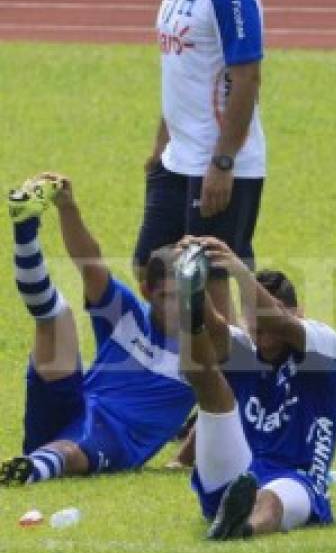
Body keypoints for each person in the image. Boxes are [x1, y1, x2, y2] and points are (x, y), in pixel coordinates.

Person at [130, 0, 267, 325]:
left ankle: (228, 387)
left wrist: (223, 162)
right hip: (177, 157)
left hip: (219, 162)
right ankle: (182, 372)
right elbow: (182, 69)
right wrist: (160, 145)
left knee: (207, 284)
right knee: (150, 268)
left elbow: (246, 78)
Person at [1, 174, 193, 485]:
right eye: (166, 296)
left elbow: (226, 407)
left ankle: (30, 469)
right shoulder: (129, 315)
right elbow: (91, 265)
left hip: (114, 441)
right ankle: (25, 228)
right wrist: (67, 206)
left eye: (183, 297)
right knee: (56, 315)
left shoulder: (209, 347)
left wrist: (183, 458)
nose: (176, 307)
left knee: (71, 448)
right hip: (71, 406)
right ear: (146, 291)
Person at [172, 238, 336, 539]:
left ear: (298, 313)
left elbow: (278, 322)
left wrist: (238, 269)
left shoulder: (323, 345)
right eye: (255, 320)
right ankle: (231, 516)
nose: (261, 329)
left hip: (297, 477)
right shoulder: (243, 347)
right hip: (237, 472)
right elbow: (214, 331)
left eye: (269, 313)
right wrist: (191, 286)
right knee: (207, 377)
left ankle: (240, 529)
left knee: (271, 501)